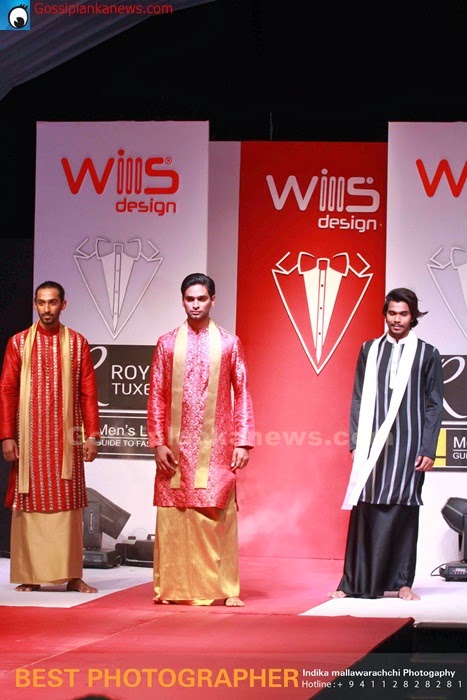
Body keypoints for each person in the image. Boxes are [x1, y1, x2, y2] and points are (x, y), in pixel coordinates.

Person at [147, 273, 255, 607]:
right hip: (174, 449)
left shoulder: (229, 343)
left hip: (217, 446)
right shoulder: (167, 343)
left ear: (213, 300)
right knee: (175, 514)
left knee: (217, 511)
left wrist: (243, 441)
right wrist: (158, 442)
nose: (195, 305)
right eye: (190, 299)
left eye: (202, 299)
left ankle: (225, 588)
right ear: (182, 300)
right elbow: (157, 395)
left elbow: (242, 393)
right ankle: (173, 588)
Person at [329, 288, 443, 601]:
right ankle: (353, 582)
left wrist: (428, 448)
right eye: (392, 313)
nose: (397, 319)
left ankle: (402, 582)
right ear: (385, 314)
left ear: (413, 316)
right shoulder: (370, 350)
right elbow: (358, 397)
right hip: (371, 443)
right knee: (366, 505)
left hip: (410, 443)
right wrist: (356, 441)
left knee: (403, 507)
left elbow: (434, 404)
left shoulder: (427, 353)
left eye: (403, 314)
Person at [0, 281, 101, 593]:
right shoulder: (18, 343)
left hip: (66, 439)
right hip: (28, 439)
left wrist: (92, 436)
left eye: (52, 303)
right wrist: (7, 436)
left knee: (68, 502)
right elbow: (7, 390)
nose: (46, 309)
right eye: (41, 303)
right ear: (35, 304)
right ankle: (31, 574)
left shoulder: (77, 343)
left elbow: (88, 392)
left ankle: (72, 575)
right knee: (30, 501)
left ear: (63, 305)